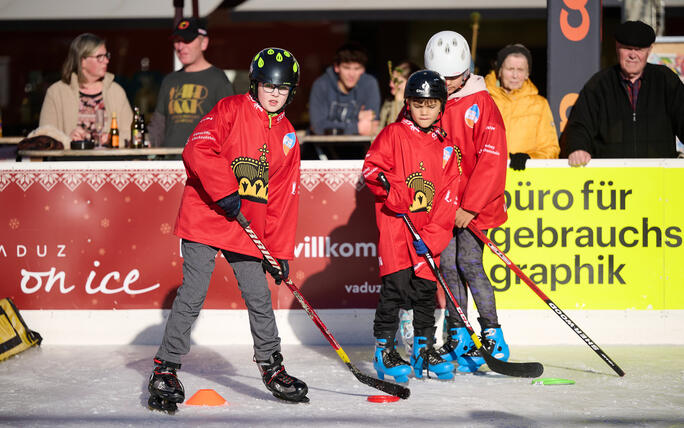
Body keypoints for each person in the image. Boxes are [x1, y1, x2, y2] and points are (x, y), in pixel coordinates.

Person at [147, 47, 307, 412]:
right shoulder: (230, 110)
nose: (275, 94)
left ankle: (271, 365)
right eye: (269, 86)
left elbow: (283, 200)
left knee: (259, 297)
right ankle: (166, 368)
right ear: (255, 83)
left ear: (291, 92)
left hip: (245, 228)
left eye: (282, 89)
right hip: (206, 216)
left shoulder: (287, 137)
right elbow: (198, 148)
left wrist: (279, 252)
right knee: (194, 291)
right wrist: (225, 191)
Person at [363, 70, 462, 382]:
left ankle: (423, 351)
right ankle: (385, 351)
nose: (424, 110)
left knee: (425, 292)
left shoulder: (446, 148)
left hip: (426, 233)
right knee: (393, 291)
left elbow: (448, 197)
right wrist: (395, 192)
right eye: (418, 103)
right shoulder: (392, 135)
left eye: (431, 104)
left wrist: (433, 237)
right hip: (396, 230)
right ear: (408, 103)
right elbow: (371, 170)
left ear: (441, 107)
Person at [424, 30, 510, 373]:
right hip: (444, 207)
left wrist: (470, 206)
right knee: (447, 266)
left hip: (475, 207)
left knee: (470, 263)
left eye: (455, 77)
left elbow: (492, 159)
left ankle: (492, 333)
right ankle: (459, 333)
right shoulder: (426, 99)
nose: (449, 84)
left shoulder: (482, 103)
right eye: (442, 78)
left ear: (467, 71)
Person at [561, 20, 684, 166]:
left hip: (659, 177)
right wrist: (578, 148)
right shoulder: (599, 84)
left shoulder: (665, 80)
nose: (633, 55)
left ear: (649, 50)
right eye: (627, 48)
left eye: (639, 49)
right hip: (613, 181)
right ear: (617, 47)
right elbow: (580, 125)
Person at [148, 18, 234, 148]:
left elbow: (231, 126)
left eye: (187, 40)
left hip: (202, 163)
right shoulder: (169, 80)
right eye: (177, 41)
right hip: (168, 163)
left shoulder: (218, 79)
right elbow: (158, 125)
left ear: (204, 43)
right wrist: (147, 148)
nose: (180, 47)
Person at [38, 33, 132, 145]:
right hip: (69, 162)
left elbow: (131, 134)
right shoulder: (56, 92)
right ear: (82, 61)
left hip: (108, 161)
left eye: (106, 55)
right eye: (99, 57)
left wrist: (112, 139)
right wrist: (68, 139)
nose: (106, 60)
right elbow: (44, 136)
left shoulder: (116, 92)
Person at [484, 44, 559, 170]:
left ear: (527, 74)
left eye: (520, 70)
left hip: (524, 181)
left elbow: (551, 149)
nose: (515, 75)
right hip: (487, 176)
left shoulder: (540, 105)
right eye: (510, 69)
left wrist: (530, 158)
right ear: (500, 71)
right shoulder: (483, 100)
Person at [309, 42, 381, 136]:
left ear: (363, 69)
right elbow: (317, 126)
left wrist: (331, 124)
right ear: (336, 67)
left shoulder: (369, 84)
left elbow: (371, 126)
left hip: (358, 148)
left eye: (356, 68)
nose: (351, 74)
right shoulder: (321, 85)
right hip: (323, 148)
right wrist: (356, 123)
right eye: (346, 68)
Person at [378, 61, 420, 129]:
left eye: (396, 81)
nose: (390, 84)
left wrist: (398, 101)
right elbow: (381, 129)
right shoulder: (389, 102)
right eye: (391, 80)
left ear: (410, 83)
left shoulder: (418, 106)